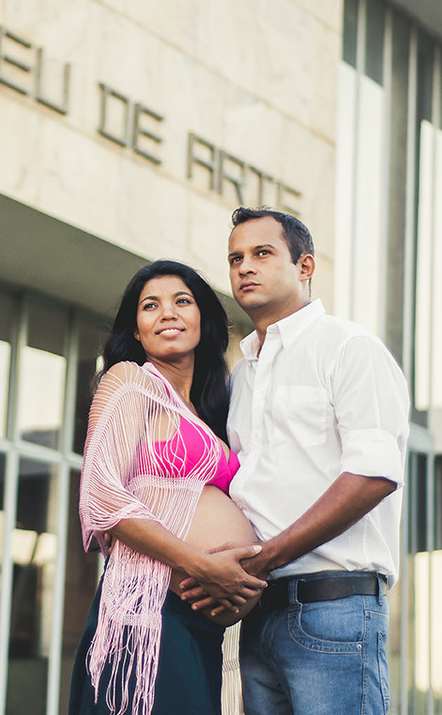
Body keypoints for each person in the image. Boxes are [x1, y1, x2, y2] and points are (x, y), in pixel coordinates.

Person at [181, 207, 410, 714]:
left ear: (305, 266)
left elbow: (374, 475)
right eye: (235, 258)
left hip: (334, 608)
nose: (245, 267)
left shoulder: (349, 349)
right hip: (255, 616)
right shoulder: (242, 377)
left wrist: (269, 556)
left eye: (262, 253)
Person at [70, 259, 265, 715]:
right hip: (147, 613)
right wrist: (200, 564)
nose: (167, 313)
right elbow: (101, 492)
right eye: (150, 306)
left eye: (182, 301)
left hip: (201, 629)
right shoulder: (131, 380)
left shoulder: (209, 410)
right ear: (136, 331)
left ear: (203, 319)